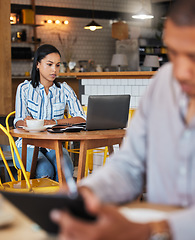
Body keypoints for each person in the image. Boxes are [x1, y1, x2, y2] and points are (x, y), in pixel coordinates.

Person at [50, 0, 195, 239]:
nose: (179, 71)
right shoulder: (161, 85)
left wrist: (153, 230)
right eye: (174, 53)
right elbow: (129, 166)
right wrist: (89, 193)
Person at [14, 44, 86, 181]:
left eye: (58, 65)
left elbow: (82, 118)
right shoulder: (24, 89)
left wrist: (55, 122)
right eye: (50, 64)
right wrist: (26, 122)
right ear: (38, 65)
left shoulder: (65, 89)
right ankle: (44, 202)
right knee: (45, 169)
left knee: (65, 169)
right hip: (27, 145)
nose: (54, 70)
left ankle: (61, 202)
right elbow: (18, 121)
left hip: (55, 145)